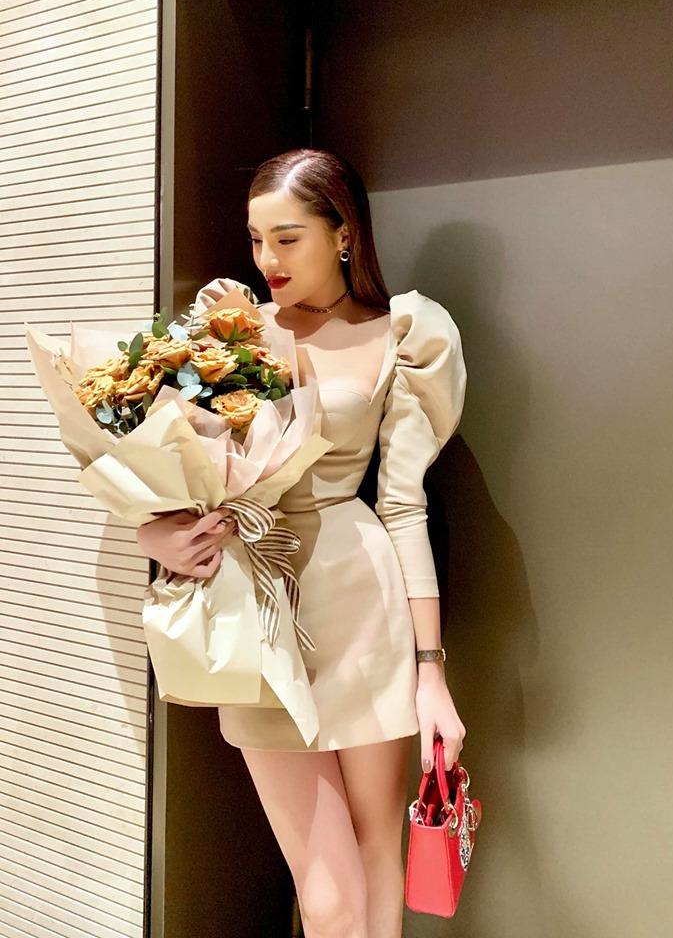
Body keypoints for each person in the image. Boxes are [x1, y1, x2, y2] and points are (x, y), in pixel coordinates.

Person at [135, 148, 468, 938]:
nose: (266, 260)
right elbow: (159, 475)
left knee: (376, 856)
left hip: (362, 602)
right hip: (255, 608)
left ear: (342, 233)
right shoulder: (224, 336)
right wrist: (158, 535)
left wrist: (430, 674)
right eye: (256, 239)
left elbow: (402, 506)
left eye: (287, 238)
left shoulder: (402, 333)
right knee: (325, 892)